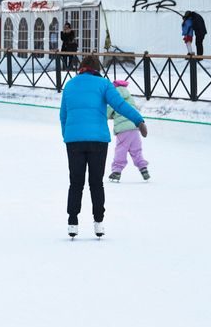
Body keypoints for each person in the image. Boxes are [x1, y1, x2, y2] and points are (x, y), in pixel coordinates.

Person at [59, 55, 147, 239]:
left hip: (74, 141)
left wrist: (67, 135)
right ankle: (98, 223)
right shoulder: (104, 84)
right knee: (96, 183)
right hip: (97, 141)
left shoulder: (70, 85)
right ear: (97, 69)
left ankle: (72, 223)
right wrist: (138, 120)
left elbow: (63, 116)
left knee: (76, 183)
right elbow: (121, 105)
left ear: (81, 68)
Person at [108, 80, 149, 183]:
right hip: (135, 127)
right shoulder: (129, 97)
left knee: (121, 150)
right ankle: (143, 168)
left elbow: (107, 113)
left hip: (122, 130)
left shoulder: (114, 97)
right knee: (136, 150)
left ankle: (117, 171)